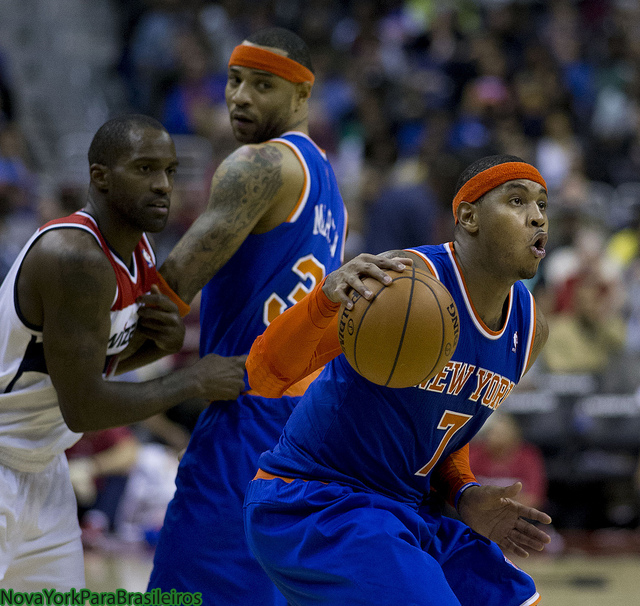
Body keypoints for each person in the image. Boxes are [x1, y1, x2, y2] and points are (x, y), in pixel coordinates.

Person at [244, 154, 552, 605]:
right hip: (313, 502)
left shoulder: (530, 331)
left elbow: (439, 428)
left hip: (403, 513)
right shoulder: (402, 284)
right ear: (468, 216)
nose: (538, 216)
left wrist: (463, 492)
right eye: (518, 201)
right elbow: (264, 376)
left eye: (543, 204)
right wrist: (325, 301)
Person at [0, 114, 246, 592]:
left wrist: (160, 342)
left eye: (170, 171)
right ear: (100, 178)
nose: (162, 185)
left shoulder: (138, 249)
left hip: (44, 466)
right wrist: (192, 379)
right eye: (145, 169)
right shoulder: (75, 258)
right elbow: (85, 405)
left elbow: (90, 361)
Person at [147, 27, 348, 605]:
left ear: (304, 96)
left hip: (248, 414)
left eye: (263, 85)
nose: (240, 97)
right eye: (234, 81)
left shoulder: (259, 164)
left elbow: (175, 284)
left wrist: (95, 353)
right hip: (303, 428)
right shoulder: (326, 180)